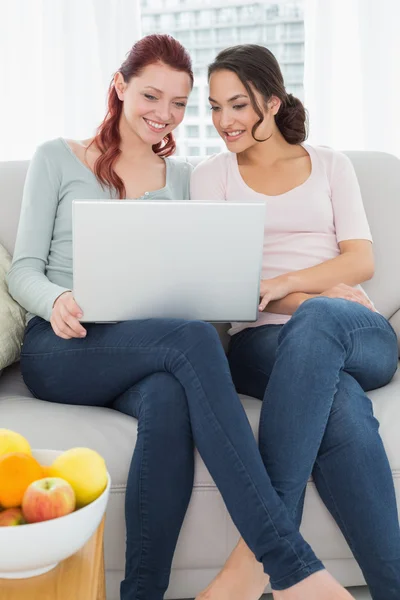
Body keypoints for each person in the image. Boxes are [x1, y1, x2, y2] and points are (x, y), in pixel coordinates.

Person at [7, 33, 353, 600]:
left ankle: (142, 594)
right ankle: (289, 565)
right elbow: (23, 271)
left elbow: (196, 276)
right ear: (119, 87)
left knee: (169, 396)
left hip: (143, 346)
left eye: (178, 104)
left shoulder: (186, 178)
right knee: (192, 341)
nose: (163, 115)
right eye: (151, 96)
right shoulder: (57, 157)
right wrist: (56, 300)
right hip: (63, 346)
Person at [190, 43, 400, 600]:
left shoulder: (331, 164)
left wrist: (287, 284)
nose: (223, 121)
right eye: (214, 107)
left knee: (322, 320)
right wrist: (306, 299)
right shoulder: (211, 177)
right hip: (262, 345)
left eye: (237, 105)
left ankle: (258, 557)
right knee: (341, 408)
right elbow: (227, 286)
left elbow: (362, 260)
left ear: (273, 102)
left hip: (358, 330)